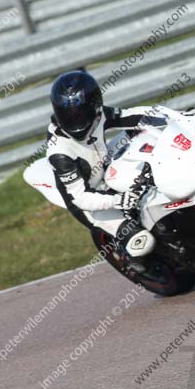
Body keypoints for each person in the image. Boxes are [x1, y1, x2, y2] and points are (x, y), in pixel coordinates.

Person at [46, 70, 162, 267]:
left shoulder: (99, 116)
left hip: (106, 170)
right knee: (142, 243)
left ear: (95, 106)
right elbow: (81, 198)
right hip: (86, 199)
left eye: (80, 113)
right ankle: (137, 263)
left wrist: (175, 117)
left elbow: (133, 116)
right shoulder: (59, 152)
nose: (76, 121)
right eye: (67, 115)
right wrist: (119, 200)